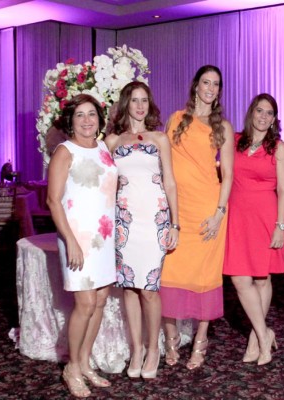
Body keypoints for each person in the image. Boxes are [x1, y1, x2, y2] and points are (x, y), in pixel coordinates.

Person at [160, 65, 234, 370]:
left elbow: (227, 175)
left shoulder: (223, 127)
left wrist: (219, 213)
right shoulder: (176, 119)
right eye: (206, 82)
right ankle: (171, 337)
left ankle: (201, 341)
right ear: (196, 86)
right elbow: (163, 166)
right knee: (169, 273)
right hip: (178, 210)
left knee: (205, 277)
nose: (210, 88)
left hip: (207, 210)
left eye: (216, 84)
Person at [105, 82, 179, 380]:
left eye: (144, 100)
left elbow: (170, 183)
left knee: (148, 290)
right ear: (126, 104)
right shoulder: (112, 141)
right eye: (134, 100)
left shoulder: (160, 138)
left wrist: (175, 224)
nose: (139, 106)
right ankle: (136, 349)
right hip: (124, 221)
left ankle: (153, 348)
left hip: (155, 220)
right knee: (129, 289)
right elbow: (107, 185)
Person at [47, 94, 117, 398]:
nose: (87, 121)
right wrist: (71, 241)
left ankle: (86, 362)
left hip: (104, 235)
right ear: (70, 121)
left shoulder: (104, 147)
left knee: (100, 301)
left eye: (92, 114)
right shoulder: (65, 151)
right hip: (77, 237)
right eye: (80, 116)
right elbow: (52, 200)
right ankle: (72, 367)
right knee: (85, 304)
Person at [223, 94, 284, 366]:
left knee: (262, 279)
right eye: (259, 111)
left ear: (274, 119)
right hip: (237, 217)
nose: (263, 117)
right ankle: (265, 335)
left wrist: (280, 226)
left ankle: (255, 338)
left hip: (266, 218)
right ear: (251, 112)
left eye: (269, 113)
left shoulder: (279, 148)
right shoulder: (235, 141)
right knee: (240, 280)